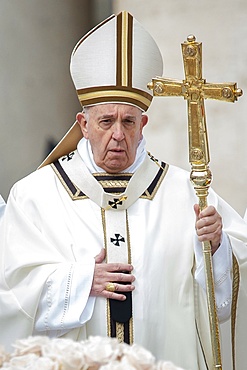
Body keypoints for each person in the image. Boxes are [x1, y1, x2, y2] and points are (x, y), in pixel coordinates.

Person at [0, 10, 247, 370]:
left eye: (128, 121)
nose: (118, 134)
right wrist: (81, 282)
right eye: (106, 122)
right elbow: (11, 289)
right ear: (83, 125)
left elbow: (229, 283)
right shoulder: (35, 196)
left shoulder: (184, 192)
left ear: (143, 124)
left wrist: (216, 246)